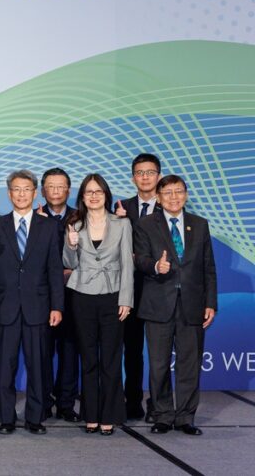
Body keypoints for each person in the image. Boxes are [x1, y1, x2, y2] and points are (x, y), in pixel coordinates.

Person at [133, 175, 217, 436]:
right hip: (158, 303)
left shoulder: (199, 224)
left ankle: (185, 417)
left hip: (192, 304)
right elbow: (140, 259)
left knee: (189, 364)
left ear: (186, 195)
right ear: (158, 197)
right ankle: (163, 415)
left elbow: (208, 267)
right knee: (159, 365)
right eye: (167, 192)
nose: (173, 197)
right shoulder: (146, 224)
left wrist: (210, 302)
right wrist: (155, 266)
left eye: (178, 191)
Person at [0, 170, 64, 435]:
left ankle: (35, 418)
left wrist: (57, 306)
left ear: (34, 193)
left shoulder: (49, 226)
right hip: (5, 306)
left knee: (37, 366)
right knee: (5, 366)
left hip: (37, 307)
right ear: (9, 194)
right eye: (16, 189)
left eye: (26, 189)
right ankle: (6, 418)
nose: (21, 194)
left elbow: (54, 269)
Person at [63, 174, 134, 435]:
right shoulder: (74, 224)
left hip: (113, 295)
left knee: (111, 359)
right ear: (82, 197)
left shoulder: (122, 223)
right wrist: (71, 245)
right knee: (89, 358)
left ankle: (109, 415)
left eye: (99, 192)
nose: (94, 196)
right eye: (89, 192)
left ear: (106, 195)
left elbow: (127, 263)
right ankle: (90, 415)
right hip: (82, 295)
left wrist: (126, 299)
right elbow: (68, 263)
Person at [118, 152, 162, 422]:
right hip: (130, 289)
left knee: (159, 353)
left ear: (158, 175)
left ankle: (159, 405)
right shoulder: (121, 207)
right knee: (132, 350)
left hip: (160, 289)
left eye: (150, 172)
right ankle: (133, 402)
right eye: (139, 173)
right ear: (133, 177)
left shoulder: (169, 205)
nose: (145, 177)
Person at [39, 167, 80, 422]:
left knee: (69, 350)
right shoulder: (34, 217)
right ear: (43, 191)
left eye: (60, 186)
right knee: (42, 351)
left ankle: (66, 404)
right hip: (41, 296)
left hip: (74, 294)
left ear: (68, 190)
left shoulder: (81, 217)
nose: (55, 191)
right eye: (50, 187)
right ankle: (42, 402)